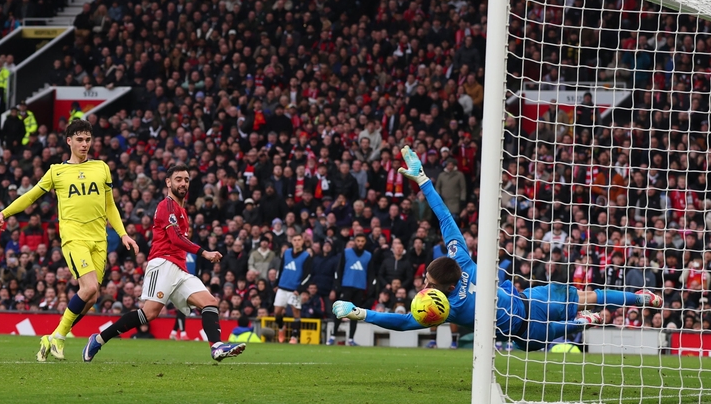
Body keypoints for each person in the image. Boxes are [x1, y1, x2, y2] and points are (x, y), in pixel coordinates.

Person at [333, 146, 663, 351]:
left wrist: (360, 313)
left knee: (550, 333)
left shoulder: (449, 308)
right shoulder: (459, 258)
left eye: (427, 285)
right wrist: (424, 182)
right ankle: (632, 300)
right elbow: (445, 218)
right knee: (585, 298)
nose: (423, 288)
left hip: (525, 324)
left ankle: (589, 319)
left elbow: (404, 322)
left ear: (446, 287)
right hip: (525, 295)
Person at [0, 119, 140, 361]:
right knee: (90, 288)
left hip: (99, 239)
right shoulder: (56, 171)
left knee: (91, 295)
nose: (85, 144)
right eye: (80, 140)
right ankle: (60, 337)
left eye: (88, 140)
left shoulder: (102, 167)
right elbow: (30, 197)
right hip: (74, 237)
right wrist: (5, 212)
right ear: (69, 141)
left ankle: (51, 337)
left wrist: (123, 233)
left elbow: (110, 205)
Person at [82, 164, 246, 362]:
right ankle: (98, 339)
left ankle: (217, 347)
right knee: (149, 313)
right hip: (162, 264)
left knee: (210, 302)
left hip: (180, 268)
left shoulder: (182, 210)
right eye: (178, 179)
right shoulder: (166, 205)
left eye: (186, 180)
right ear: (168, 182)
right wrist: (205, 253)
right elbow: (176, 239)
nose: (183, 183)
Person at [328, 234, 373, 346]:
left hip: (360, 288)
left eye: (362, 241)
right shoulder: (346, 252)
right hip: (346, 286)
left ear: (365, 242)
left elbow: (371, 274)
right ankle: (333, 335)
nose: (360, 243)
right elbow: (339, 269)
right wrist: (336, 286)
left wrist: (370, 289)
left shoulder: (368, 256)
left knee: (355, 314)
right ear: (355, 241)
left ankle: (351, 339)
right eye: (358, 240)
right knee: (340, 312)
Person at [274, 233, 312, 344]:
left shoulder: (306, 256)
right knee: (277, 312)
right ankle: (281, 328)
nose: (296, 242)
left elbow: (307, 275)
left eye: (299, 240)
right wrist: (277, 283)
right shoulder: (286, 253)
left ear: (302, 241)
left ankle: (294, 336)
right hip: (282, 286)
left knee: (296, 311)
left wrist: (300, 289)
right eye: (294, 239)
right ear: (292, 241)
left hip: (295, 289)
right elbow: (280, 269)